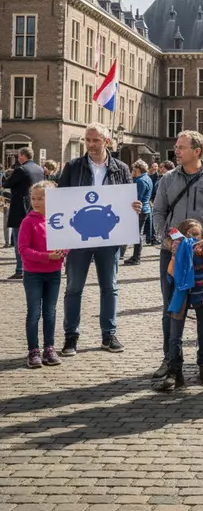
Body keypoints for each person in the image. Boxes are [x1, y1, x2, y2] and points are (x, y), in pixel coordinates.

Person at [151, 131, 203, 380]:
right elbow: (158, 212)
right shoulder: (167, 179)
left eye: (181, 147)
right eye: (176, 146)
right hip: (173, 256)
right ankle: (171, 362)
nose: (177, 150)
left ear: (197, 151)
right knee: (172, 310)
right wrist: (167, 240)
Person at [58, 124, 141, 355]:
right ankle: (71, 336)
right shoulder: (73, 167)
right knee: (74, 287)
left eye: (95, 140)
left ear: (107, 141)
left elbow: (128, 201)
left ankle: (109, 335)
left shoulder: (121, 168)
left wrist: (135, 206)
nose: (91, 145)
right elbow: (61, 199)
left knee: (109, 287)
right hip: (78, 238)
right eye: (88, 140)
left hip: (109, 237)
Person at [153, 218, 203, 391]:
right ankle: (175, 371)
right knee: (175, 335)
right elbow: (169, 276)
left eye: (197, 235)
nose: (193, 239)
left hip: (202, 295)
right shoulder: (178, 252)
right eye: (189, 235)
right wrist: (175, 254)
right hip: (181, 294)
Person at [18, 181, 66, 368]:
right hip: (33, 274)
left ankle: (49, 348)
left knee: (50, 312)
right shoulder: (28, 221)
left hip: (54, 274)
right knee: (34, 313)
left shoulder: (58, 219)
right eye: (33, 198)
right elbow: (23, 249)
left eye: (41, 198)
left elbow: (67, 241)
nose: (36, 202)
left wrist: (63, 252)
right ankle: (33, 350)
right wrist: (47, 257)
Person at [5, 147, 44, 280]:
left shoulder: (21, 169)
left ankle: (20, 269)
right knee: (34, 239)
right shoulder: (39, 169)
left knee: (19, 239)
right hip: (36, 206)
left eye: (19, 156)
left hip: (20, 208)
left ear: (22, 156)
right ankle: (34, 266)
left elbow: (7, 184)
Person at [124, 160, 153, 266]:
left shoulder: (140, 181)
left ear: (138, 170)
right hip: (145, 209)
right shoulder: (147, 178)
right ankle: (135, 256)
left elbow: (137, 197)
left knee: (137, 234)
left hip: (140, 210)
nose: (132, 172)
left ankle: (136, 257)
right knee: (137, 233)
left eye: (134, 170)